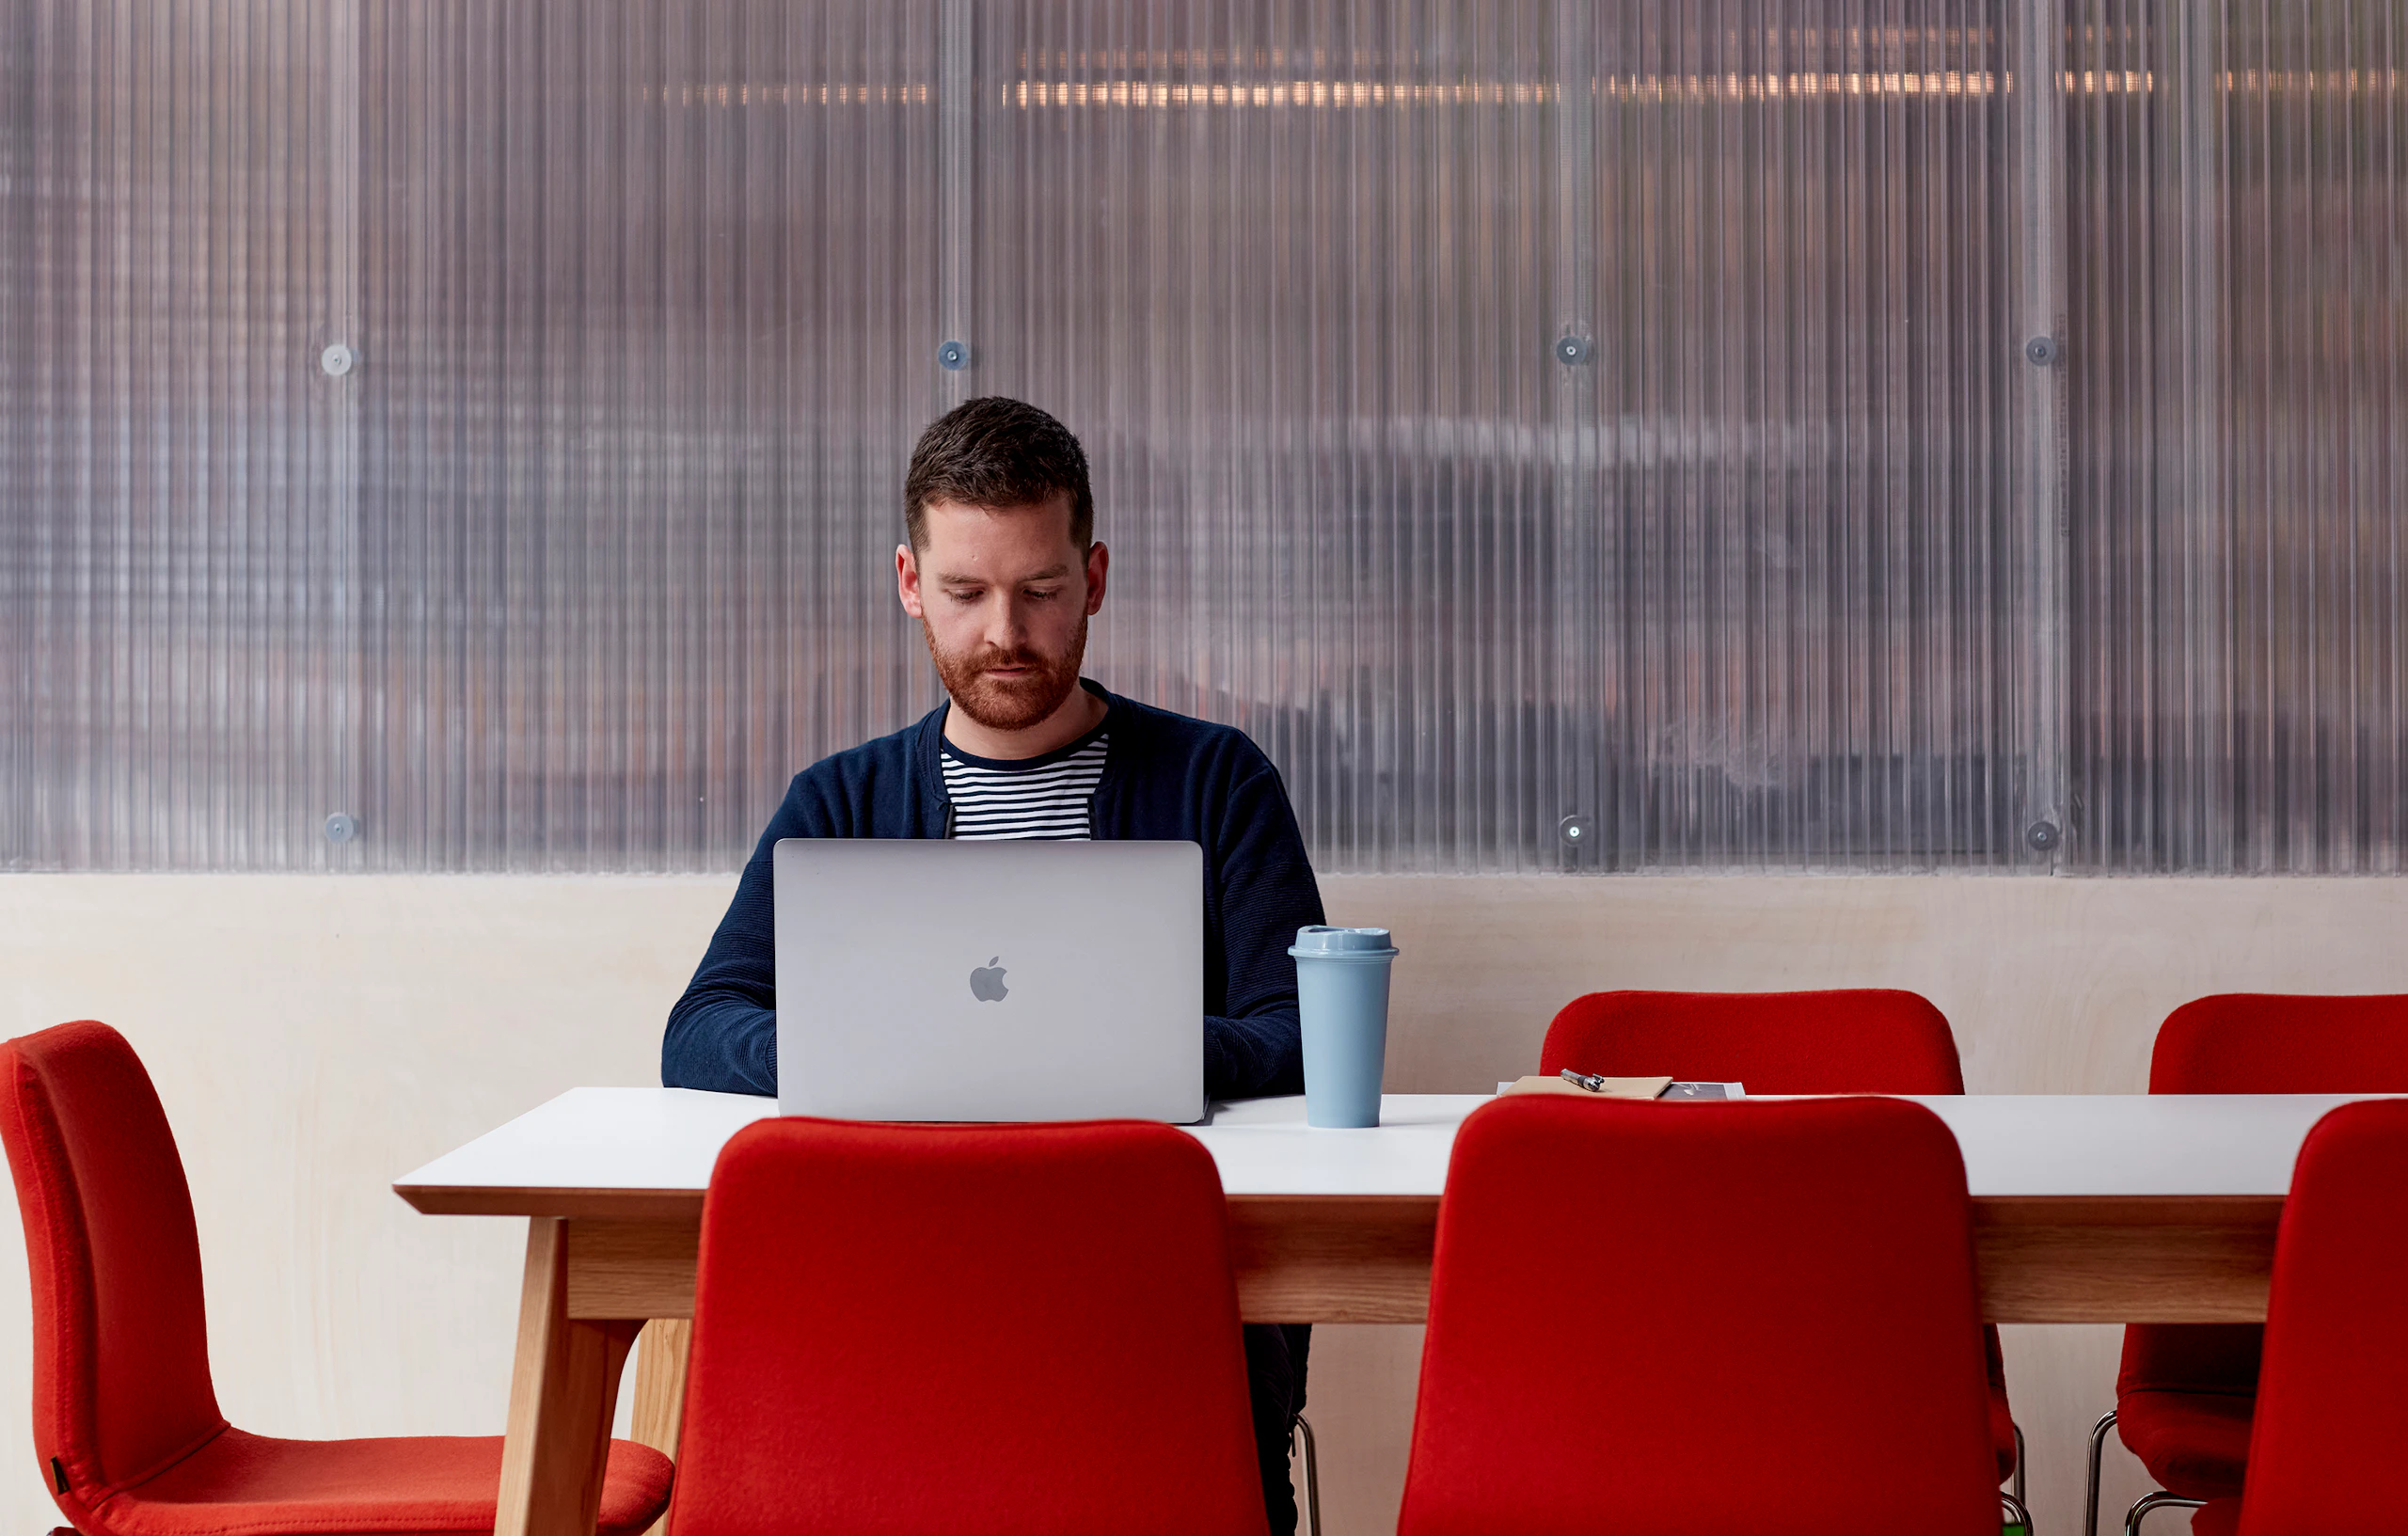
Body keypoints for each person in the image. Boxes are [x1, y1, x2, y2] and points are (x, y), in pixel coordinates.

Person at [663, 395, 1323, 1533]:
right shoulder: (840, 802)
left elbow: (1297, 1031)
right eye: (966, 593)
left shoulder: (1219, 781)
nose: (1004, 631)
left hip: (1142, 1297)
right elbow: (702, 1027)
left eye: (1042, 590)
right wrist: (866, 1048)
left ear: (1096, 578)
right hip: (899, 1295)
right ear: (911, 583)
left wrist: (1083, 1054)